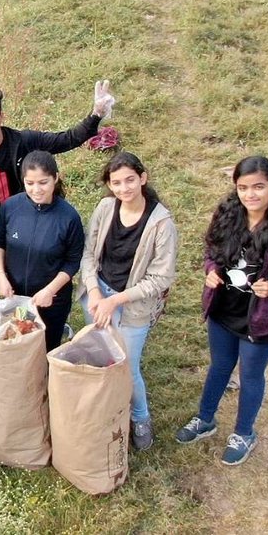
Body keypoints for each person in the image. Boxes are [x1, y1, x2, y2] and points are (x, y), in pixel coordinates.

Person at [175, 156, 268, 466]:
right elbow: (211, 248)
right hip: (223, 310)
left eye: (258, 187)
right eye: (243, 187)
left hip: (262, 320)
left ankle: (244, 433)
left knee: (250, 374)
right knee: (219, 366)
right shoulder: (227, 214)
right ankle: (205, 419)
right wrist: (211, 269)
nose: (250, 195)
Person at [0, 81, 116, 308]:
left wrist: (96, 115)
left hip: (31, 228)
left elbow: (66, 139)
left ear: (1, 115)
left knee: (33, 282)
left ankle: (39, 325)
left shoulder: (23, 141)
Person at [78, 151, 179, 451]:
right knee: (101, 356)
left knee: (126, 367)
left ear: (143, 178)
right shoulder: (106, 208)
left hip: (132, 307)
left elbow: (161, 278)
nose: (124, 188)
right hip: (98, 298)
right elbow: (88, 254)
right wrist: (95, 292)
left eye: (130, 180)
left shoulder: (161, 223)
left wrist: (116, 301)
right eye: (116, 183)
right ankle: (109, 409)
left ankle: (140, 416)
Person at [0, 150, 85, 352]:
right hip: (16, 296)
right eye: (30, 183)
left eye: (43, 182)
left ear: (55, 178)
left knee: (46, 348)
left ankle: (45, 381)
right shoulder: (10, 207)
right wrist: (0, 276)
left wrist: (50, 290)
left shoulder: (68, 217)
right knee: (17, 340)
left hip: (51, 300)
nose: (36, 190)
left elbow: (73, 261)